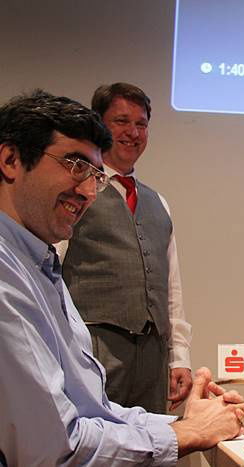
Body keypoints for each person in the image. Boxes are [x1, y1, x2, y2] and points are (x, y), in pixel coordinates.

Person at [0, 90, 244, 465]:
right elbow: (58, 447)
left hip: (150, 355)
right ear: (10, 160)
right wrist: (186, 433)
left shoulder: (40, 262)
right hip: (105, 350)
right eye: (75, 165)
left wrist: (184, 417)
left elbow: (97, 412)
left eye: (95, 176)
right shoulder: (11, 273)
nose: (88, 191)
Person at [57, 82, 192, 413]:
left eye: (141, 124)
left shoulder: (159, 202)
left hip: (153, 357)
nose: (133, 132)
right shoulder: (77, 191)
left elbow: (171, 287)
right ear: (100, 124)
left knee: (154, 439)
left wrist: (179, 357)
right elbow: (50, 270)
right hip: (93, 348)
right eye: (121, 121)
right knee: (94, 436)